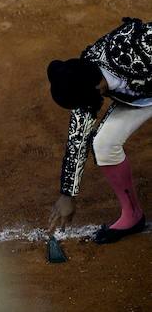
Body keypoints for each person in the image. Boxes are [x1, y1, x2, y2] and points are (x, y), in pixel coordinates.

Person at [47, 17, 151, 243]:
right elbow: (78, 138)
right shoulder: (83, 75)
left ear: (97, 87)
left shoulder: (140, 44)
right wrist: (67, 194)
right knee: (104, 143)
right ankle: (132, 215)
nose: (85, 108)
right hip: (143, 95)